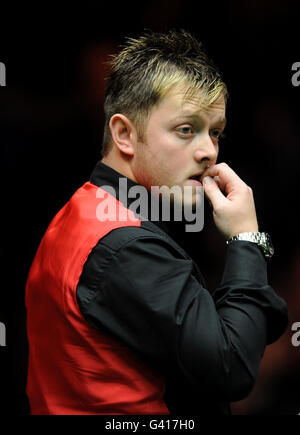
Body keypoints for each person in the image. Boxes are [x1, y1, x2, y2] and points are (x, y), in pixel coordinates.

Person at [25, 29, 288, 415]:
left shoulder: (87, 210)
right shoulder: (126, 246)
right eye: (187, 129)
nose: (208, 152)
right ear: (124, 134)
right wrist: (248, 237)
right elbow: (231, 369)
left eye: (215, 133)